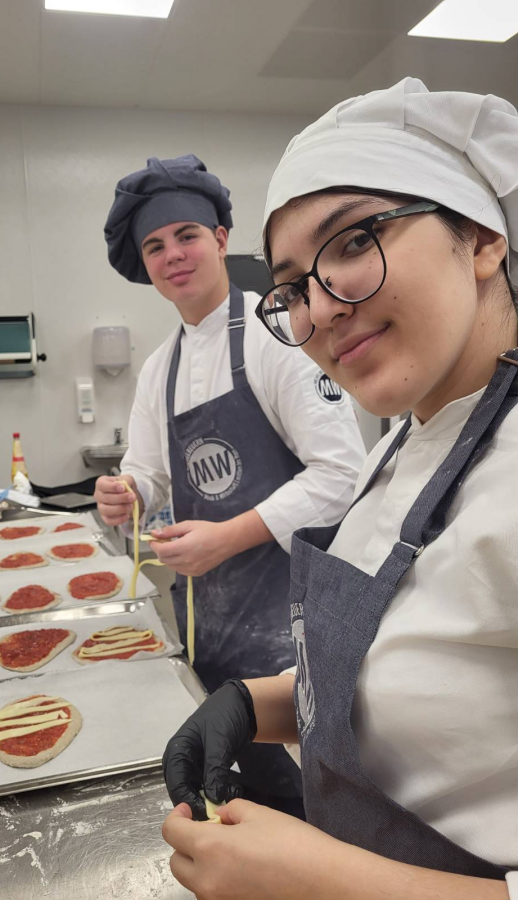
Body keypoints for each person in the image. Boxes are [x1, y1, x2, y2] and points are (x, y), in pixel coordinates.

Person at [161, 78, 518, 899]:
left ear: (479, 238)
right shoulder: (398, 445)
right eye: (291, 289)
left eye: (353, 241)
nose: (318, 310)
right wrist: (256, 703)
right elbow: (425, 692)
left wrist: (325, 880)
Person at [97, 154, 366, 810]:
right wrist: (127, 492)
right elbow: (149, 472)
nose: (172, 255)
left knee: (309, 805)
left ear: (220, 239)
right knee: (233, 796)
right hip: (206, 627)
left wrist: (227, 537)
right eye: (155, 246)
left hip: (292, 631)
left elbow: (341, 475)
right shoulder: (160, 367)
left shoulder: (280, 337)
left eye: (186, 235)